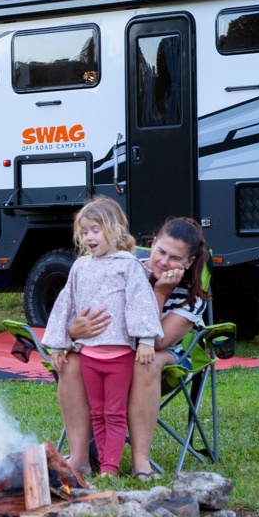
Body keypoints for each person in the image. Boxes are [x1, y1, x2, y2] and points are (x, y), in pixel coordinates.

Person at [58, 216, 210, 479]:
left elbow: (157, 341)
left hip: (164, 358)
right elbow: (86, 311)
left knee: (146, 360)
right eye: (161, 251)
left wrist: (160, 294)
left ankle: (141, 461)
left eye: (175, 258)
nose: (164, 261)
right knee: (70, 362)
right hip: (111, 352)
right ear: (152, 244)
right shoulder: (123, 268)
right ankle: (80, 458)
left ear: (189, 262)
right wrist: (73, 331)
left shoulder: (191, 298)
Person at [43, 198, 163, 478]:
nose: (89, 237)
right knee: (98, 412)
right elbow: (66, 305)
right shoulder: (80, 267)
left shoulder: (129, 265)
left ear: (115, 228)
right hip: (89, 354)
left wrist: (145, 340)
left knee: (114, 412)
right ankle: (91, 461)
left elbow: (140, 302)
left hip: (119, 355)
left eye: (95, 230)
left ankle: (110, 467)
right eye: (84, 232)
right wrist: (59, 343)